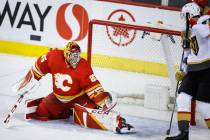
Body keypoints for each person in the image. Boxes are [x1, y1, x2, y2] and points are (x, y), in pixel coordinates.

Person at [14, 41, 134, 134]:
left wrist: (105, 104)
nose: (75, 59)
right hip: (58, 98)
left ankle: (118, 122)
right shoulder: (53, 57)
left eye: (77, 56)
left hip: (79, 98)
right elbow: (38, 67)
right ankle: (67, 111)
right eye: (73, 56)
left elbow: (95, 89)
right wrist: (29, 81)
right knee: (41, 112)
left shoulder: (83, 66)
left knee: (90, 117)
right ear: (66, 54)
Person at [165, 2, 210, 140]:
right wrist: (183, 69)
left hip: (207, 69)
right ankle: (183, 134)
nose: (184, 19)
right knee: (182, 98)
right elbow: (187, 53)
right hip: (192, 70)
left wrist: (194, 24)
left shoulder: (205, 21)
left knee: (203, 107)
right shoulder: (186, 30)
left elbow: (206, 32)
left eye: (185, 16)